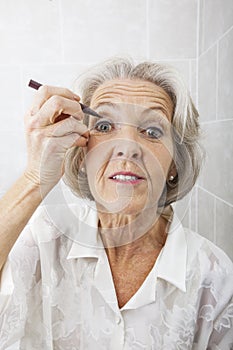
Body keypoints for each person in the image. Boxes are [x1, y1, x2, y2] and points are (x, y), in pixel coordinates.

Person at [0, 57, 232, 350]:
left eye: (152, 131)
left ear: (175, 162)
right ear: (82, 155)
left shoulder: (214, 276)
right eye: (105, 126)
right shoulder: (44, 238)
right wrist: (35, 177)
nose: (127, 146)